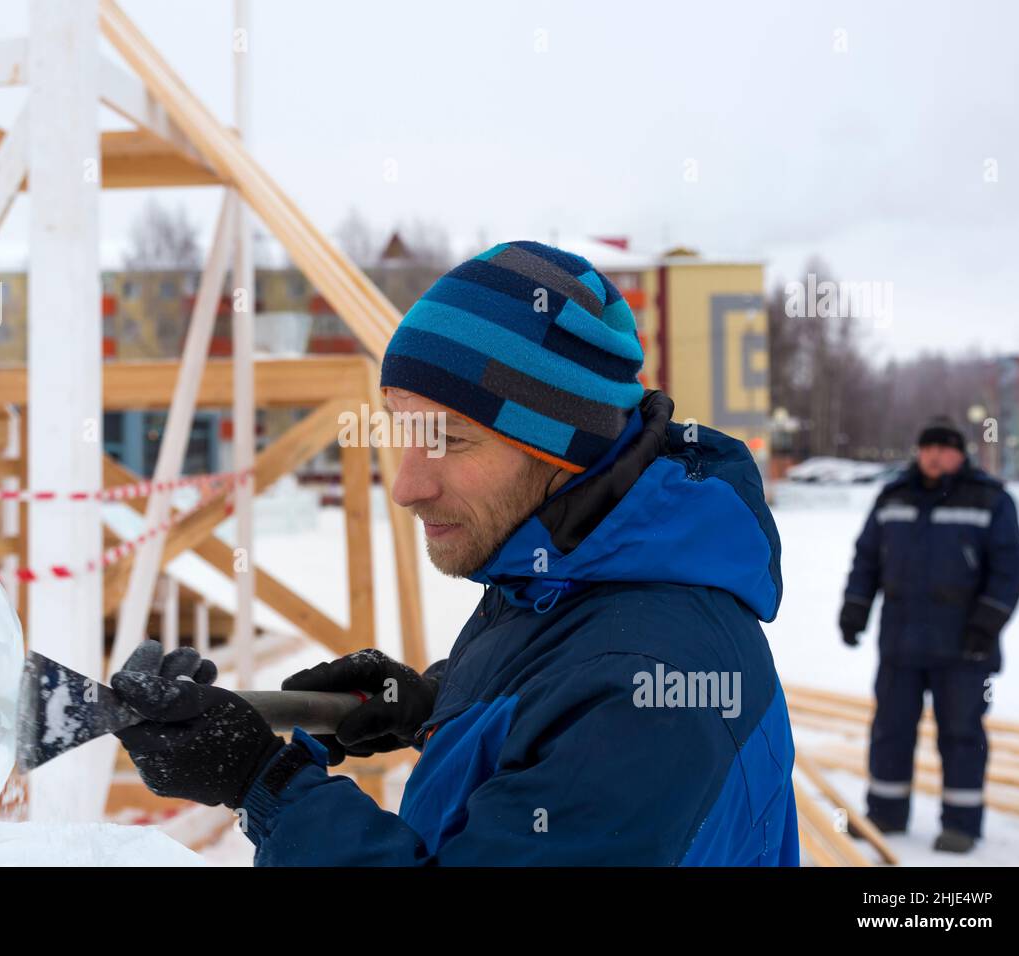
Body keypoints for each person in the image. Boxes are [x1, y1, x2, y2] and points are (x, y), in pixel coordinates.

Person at [111, 240, 798, 865]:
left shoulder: (647, 695)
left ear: (562, 447)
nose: (407, 485)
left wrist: (263, 782)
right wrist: (427, 705)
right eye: (404, 434)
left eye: (450, 438)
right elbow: (553, 684)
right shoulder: (568, 571)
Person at [839, 415, 1019, 853]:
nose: (934, 455)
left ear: (960, 454)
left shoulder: (989, 499)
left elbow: (1009, 572)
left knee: (961, 733)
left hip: (964, 646)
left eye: (943, 448)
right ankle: (885, 812)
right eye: (927, 447)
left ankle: (961, 823)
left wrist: (986, 625)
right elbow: (867, 559)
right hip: (900, 642)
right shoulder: (893, 497)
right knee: (890, 728)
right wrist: (855, 609)